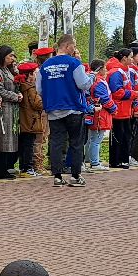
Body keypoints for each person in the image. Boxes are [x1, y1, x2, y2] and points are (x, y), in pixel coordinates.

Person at [39, 34, 91, 187]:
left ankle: (57, 176)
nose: (74, 49)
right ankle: (75, 176)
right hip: (73, 107)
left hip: (53, 108)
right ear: (68, 46)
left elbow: (39, 89)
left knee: (56, 142)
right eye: (73, 46)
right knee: (76, 142)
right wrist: (91, 78)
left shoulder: (45, 65)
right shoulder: (74, 63)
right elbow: (83, 84)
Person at [0, 45, 22, 180]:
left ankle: (5, 166)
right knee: (3, 138)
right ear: (3, 56)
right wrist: (15, 96)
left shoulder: (8, 70)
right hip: (4, 107)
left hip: (12, 107)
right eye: (10, 56)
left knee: (10, 138)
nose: (12, 58)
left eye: (13, 56)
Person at [104, 48, 134, 168]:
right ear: (124, 58)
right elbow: (117, 92)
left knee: (125, 134)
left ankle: (123, 158)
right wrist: (133, 94)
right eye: (130, 57)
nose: (132, 59)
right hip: (119, 109)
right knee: (119, 135)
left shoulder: (123, 71)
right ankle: (116, 160)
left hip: (125, 108)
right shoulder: (116, 72)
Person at [84, 60, 114, 172]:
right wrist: (114, 108)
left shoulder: (93, 80)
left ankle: (93, 160)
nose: (106, 70)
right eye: (105, 68)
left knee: (93, 139)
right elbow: (105, 99)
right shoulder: (99, 82)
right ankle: (95, 162)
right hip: (100, 114)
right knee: (96, 139)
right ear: (100, 69)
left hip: (95, 113)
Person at [16, 61, 44, 176]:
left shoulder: (21, 87)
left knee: (24, 144)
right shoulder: (30, 88)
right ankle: (27, 167)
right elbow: (37, 104)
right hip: (31, 121)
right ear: (29, 76)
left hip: (24, 121)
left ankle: (23, 167)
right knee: (29, 145)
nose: (35, 76)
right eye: (33, 73)